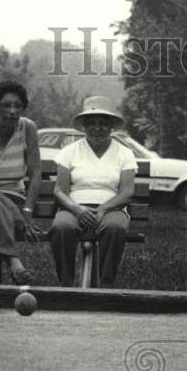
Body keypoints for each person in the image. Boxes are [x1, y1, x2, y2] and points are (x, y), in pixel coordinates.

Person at [50, 96, 137, 287]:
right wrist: (77, 210)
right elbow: (59, 190)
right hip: (74, 209)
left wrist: (103, 209)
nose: (97, 128)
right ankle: (66, 287)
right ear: (83, 126)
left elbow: (127, 192)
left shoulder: (124, 153)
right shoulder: (70, 151)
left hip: (111, 209)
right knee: (62, 227)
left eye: (103, 123)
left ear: (111, 126)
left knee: (116, 228)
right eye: (91, 123)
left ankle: (105, 288)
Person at [0, 81, 41, 285]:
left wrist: (27, 211)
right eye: (6, 105)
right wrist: (13, 211)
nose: (12, 111)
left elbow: (35, 173)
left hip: (14, 195)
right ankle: (15, 263)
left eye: (17, 106)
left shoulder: (28, 127)